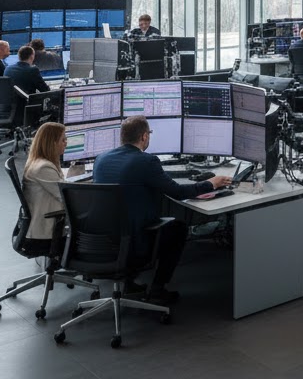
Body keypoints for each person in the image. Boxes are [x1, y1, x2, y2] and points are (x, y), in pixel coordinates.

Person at [92, 116, 231, 302]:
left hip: (102, 241)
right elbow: (179, 192)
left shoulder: (101, 159)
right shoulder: (146, 161)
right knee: (178, 228)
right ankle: (157, 289)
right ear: (144, 137)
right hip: (134, 242)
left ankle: (130, 283)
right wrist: (211, 183)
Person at [22, 122, 68, 239]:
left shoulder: (39, 161)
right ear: (52, 143)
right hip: (46, 232)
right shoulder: (43, 167)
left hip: (45, 224)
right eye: (63, 140)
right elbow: (67, 196)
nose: (66, 143)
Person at [4, 44, 49, 122]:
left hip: (10, 106)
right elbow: (45, 90)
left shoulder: (8, 68)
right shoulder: (32, 70)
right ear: (32, 57)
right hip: (27, 105)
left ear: (19, 56)